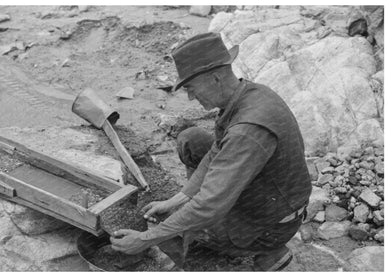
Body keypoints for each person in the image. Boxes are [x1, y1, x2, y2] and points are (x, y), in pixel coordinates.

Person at [110, 32, 312, 271]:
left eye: (192, 88)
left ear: (215, 78)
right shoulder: (246, 94)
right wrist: (175, 201)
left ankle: (269, 250)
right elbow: (215, 153)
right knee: (191, 140)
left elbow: (208, 206)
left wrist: (145, 240)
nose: (191, 96)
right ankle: (211, 212)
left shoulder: (247, 131)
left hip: (273, 222)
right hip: (269, 192)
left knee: (184, 227)